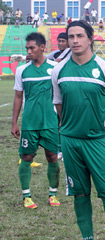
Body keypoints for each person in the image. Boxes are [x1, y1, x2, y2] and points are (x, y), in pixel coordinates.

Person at [51, 20, 105, 239]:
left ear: (90, 39)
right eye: (71, 36)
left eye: (80, 36)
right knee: (80, 194)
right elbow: (59, 105)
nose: (75, 41)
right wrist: (70, 126)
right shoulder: (59, 71)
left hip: (97, 141)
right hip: (70, 141)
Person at [12, 32, 61, 209]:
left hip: (50, 122)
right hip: (30, 123)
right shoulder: (22, 70)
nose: (28, 51)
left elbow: (62, 96)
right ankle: (26, 196)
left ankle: (53, 194)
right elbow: (18, 96)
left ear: (42, 47)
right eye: (27, 48)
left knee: (52, 156)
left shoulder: (55, 68)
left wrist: (63, 119)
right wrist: (14, 122)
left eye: (32, 48)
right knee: (27, 156)